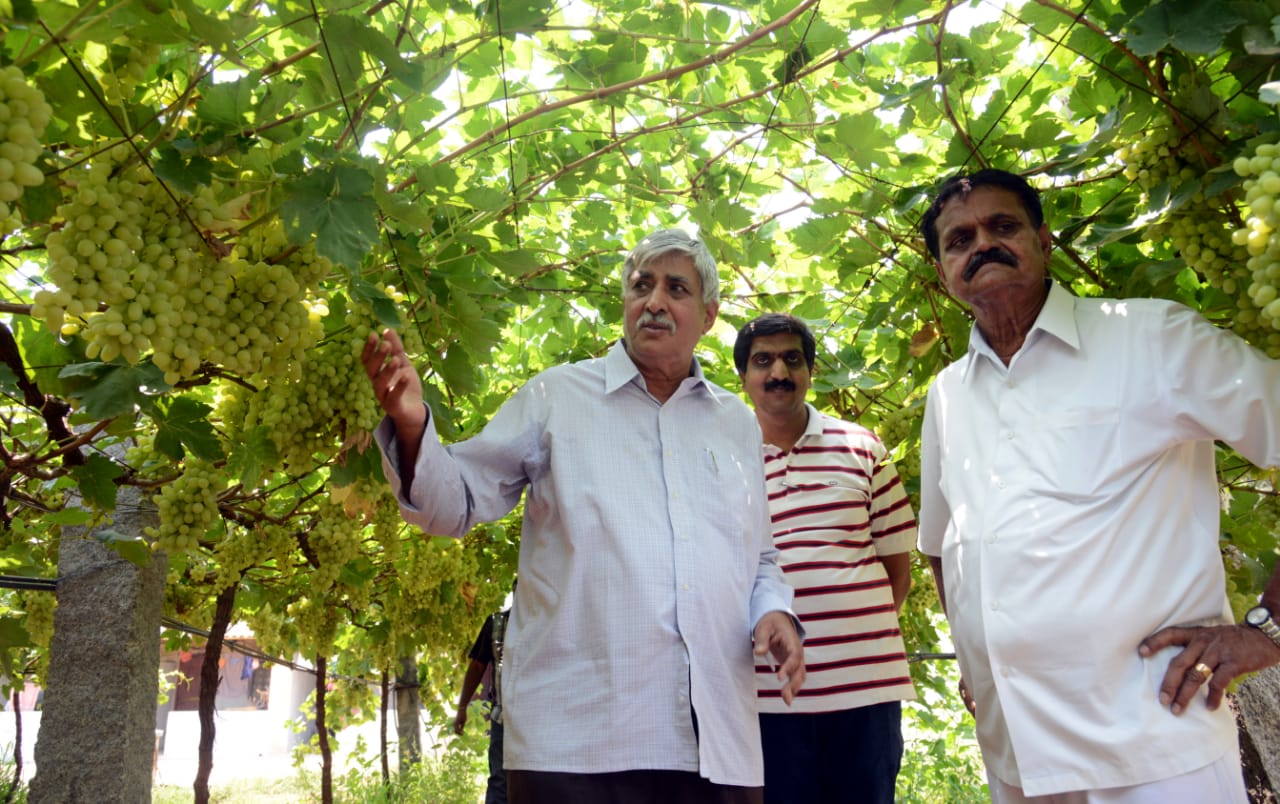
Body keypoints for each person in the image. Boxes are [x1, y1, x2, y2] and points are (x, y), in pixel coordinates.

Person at [362, 228, 805, 802]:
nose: (654, 301)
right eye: (641, 285)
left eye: (676, 288)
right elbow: (457, 502)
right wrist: (412, 424)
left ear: (709, 315)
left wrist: (773, 612)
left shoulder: (736, 423)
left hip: (717, 740)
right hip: (577, 743)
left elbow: (760, 557)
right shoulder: (556, 399)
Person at [916, 167, 1280, 803]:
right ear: (943, 272)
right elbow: (943, 545)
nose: (982, 245)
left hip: (1155, 746)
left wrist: (1268, 628)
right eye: (959, 240)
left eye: (1003, 226)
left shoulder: (1152, 337)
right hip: (1017, 756)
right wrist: (979, 662)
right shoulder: (948, 394)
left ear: (1044, 240)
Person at [734, 313, 917, 804]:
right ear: (744, 377)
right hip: (764, 698)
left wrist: (850, 641)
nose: (779, 373)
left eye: (793, 359)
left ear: (811, 372)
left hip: (866, 691)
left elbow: (897, 570)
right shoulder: (721, 460)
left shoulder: (863, 447)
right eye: (763, 361)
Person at [455, 586, 514, 804]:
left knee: (529, 780)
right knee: (500, 781)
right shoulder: (496, 623)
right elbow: (477, 666)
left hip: (539, 720)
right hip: (504, 717)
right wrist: (462, 709)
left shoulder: (548, 623)